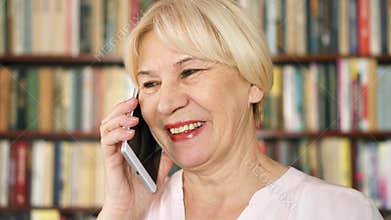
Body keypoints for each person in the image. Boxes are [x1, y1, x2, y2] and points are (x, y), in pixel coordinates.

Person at [97, 0, 383, 219]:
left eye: (190, 72)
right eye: (150, 84)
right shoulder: (137, 212)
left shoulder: (337, 211)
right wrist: (119, 212)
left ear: (253, 82)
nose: (167, 103)